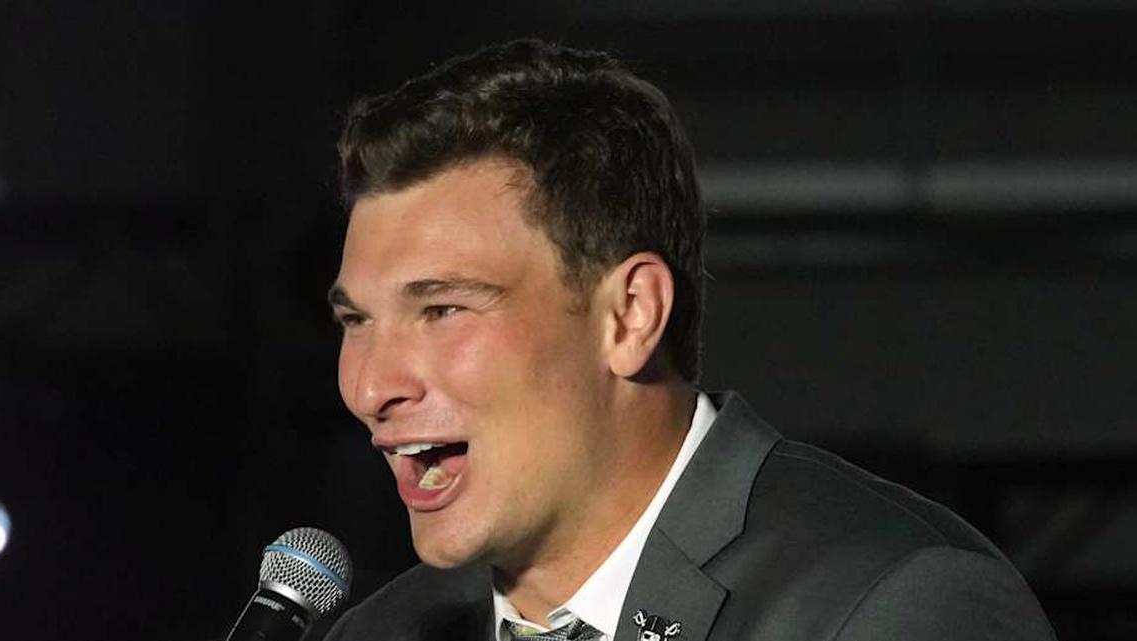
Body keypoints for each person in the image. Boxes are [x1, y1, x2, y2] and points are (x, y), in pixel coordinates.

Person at [323, 39, 1055, 641]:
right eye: (356, 321)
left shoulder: (895, 606)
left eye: (443, 309)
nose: (370, 387)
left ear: (631, 315)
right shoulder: (383, 630)